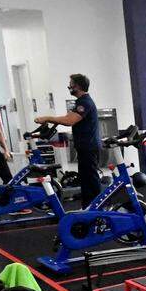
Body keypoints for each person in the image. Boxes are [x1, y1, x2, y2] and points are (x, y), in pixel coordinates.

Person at [35, 73, 101, 206]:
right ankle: (88, 207)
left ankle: (96, 208)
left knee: (90, 180)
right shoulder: (80, 102)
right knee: (86, 179)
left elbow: (69, 121)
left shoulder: (85, 102)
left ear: (78, 86)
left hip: (89, 147)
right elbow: (66, 118)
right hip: (84, 147)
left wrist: (47, 118)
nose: (69, 87)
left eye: (71, 85)